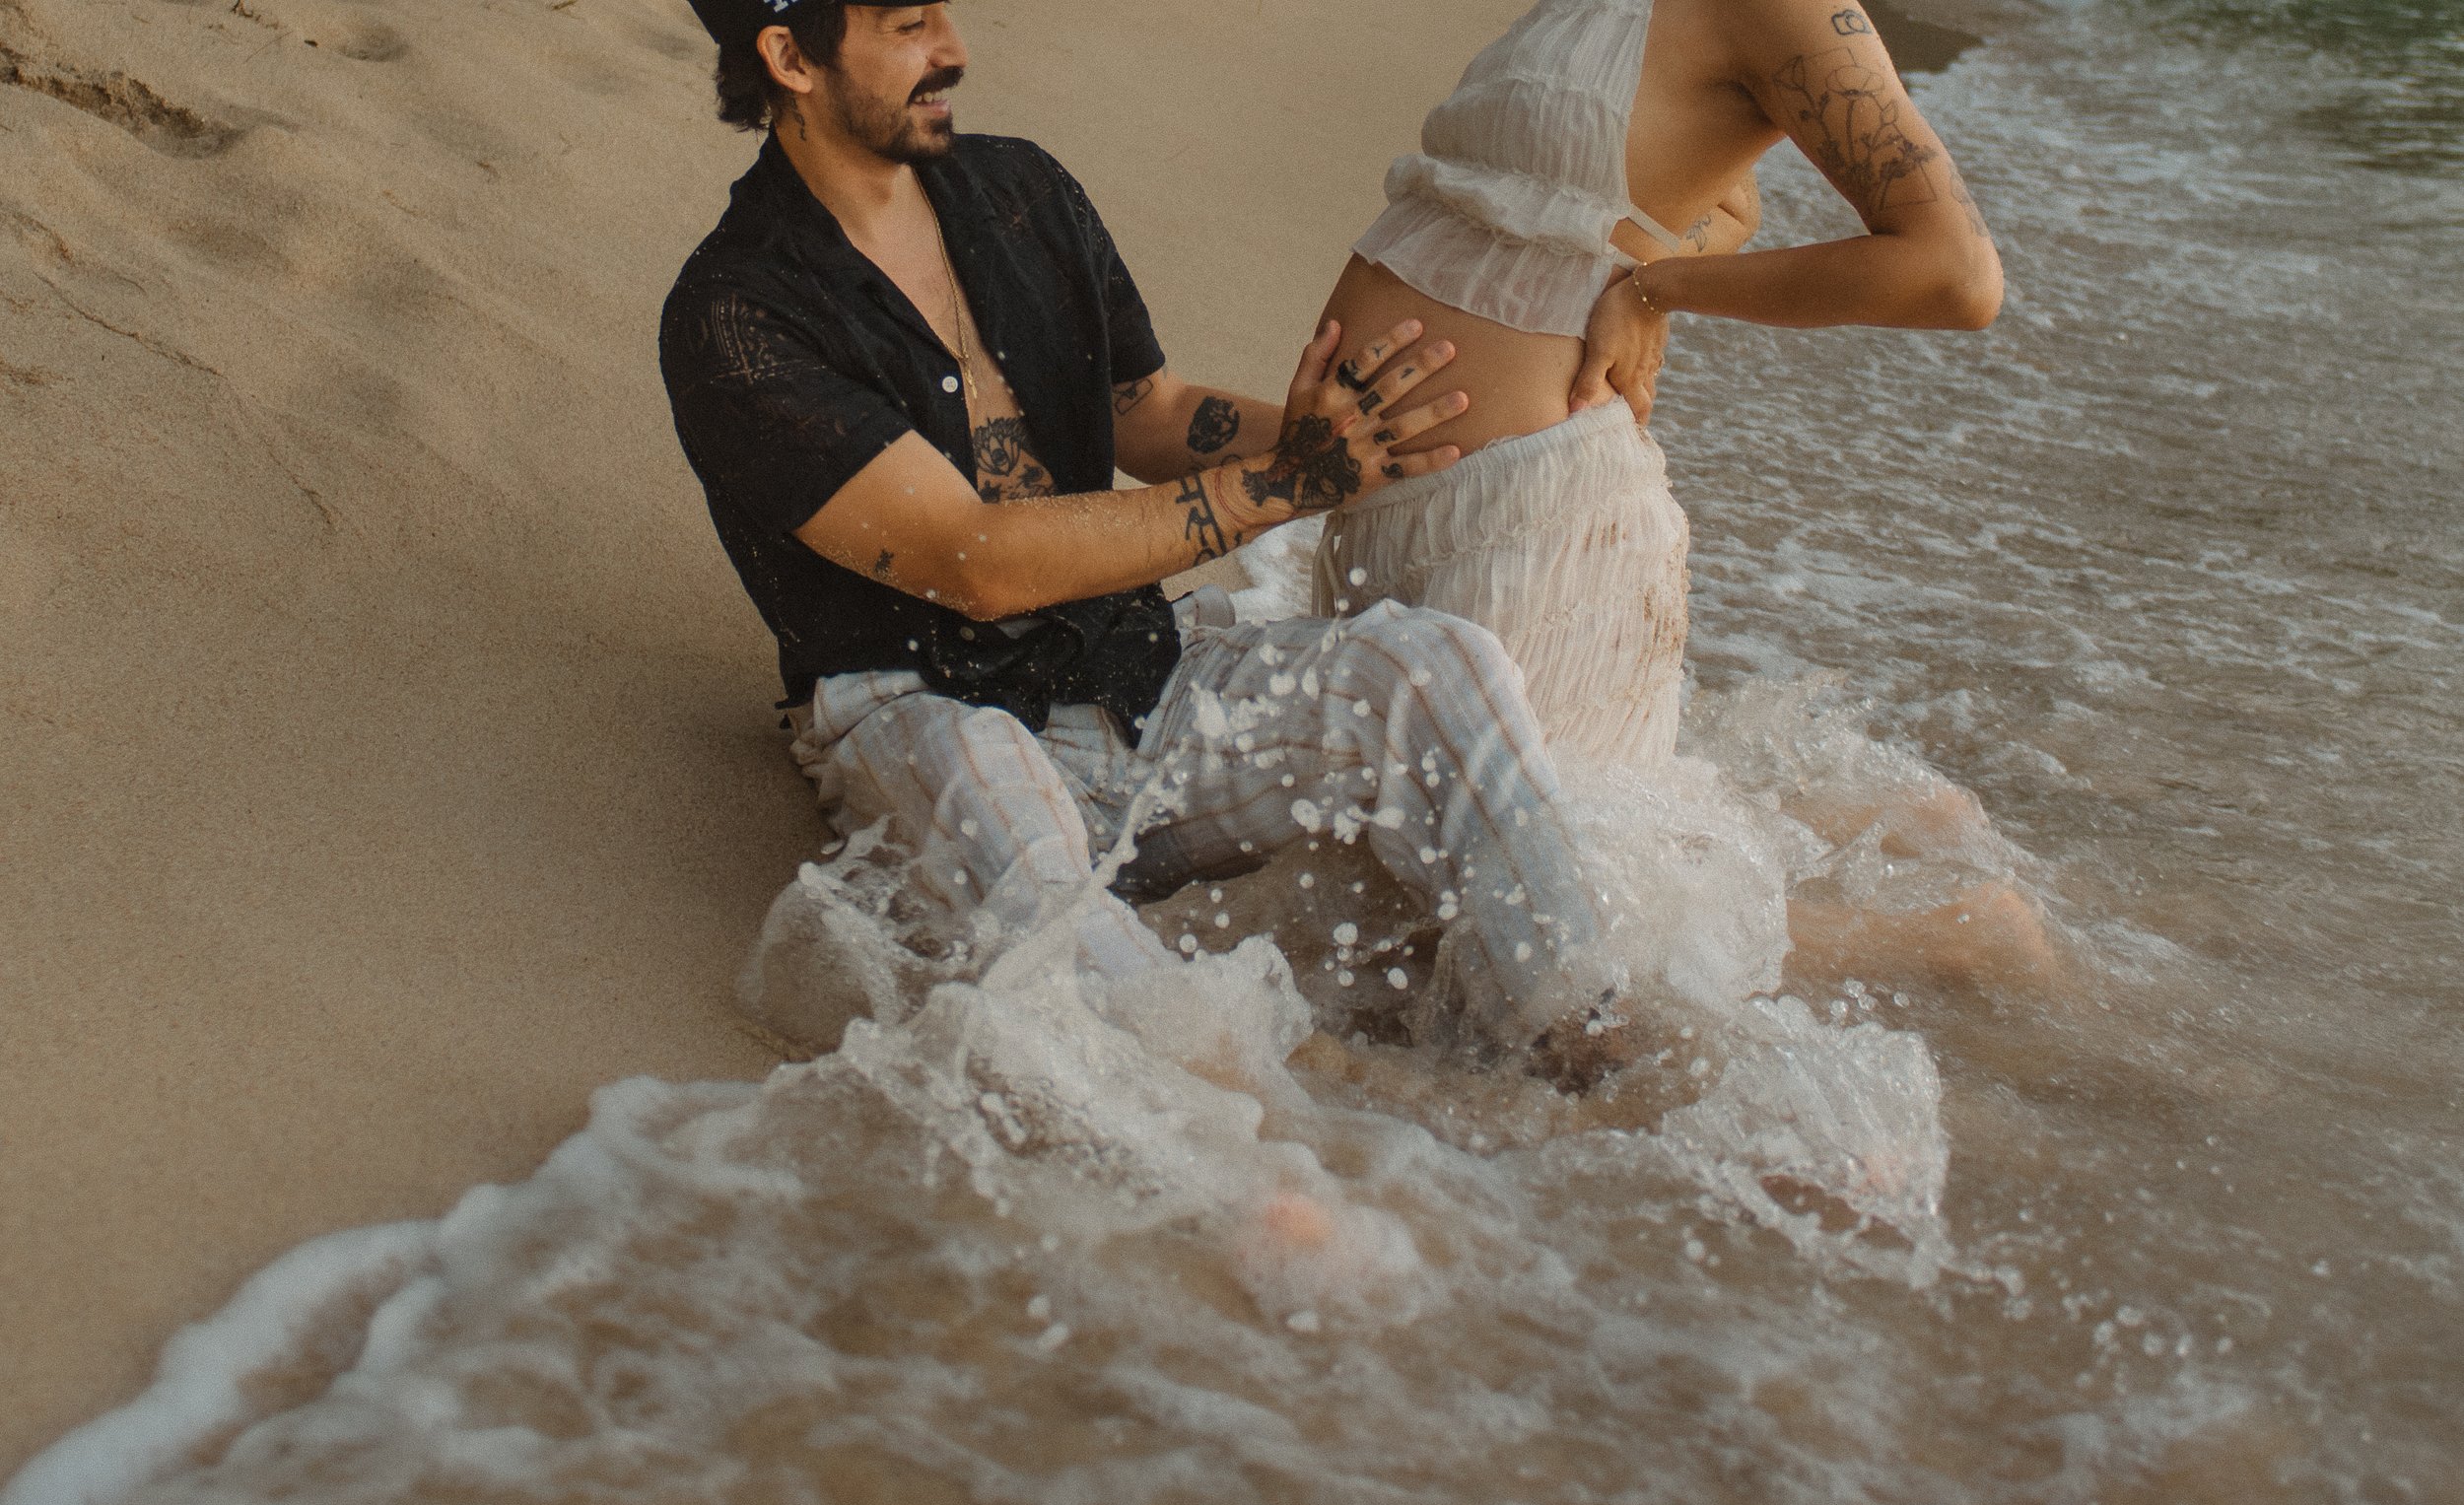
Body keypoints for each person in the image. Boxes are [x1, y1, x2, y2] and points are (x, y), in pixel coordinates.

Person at [657, 0, 1638, 1082]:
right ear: (790, 57)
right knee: (1045, 892)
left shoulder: (1021, 192)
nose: (954, 51)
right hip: (924, 700)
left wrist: (1367, 448)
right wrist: (1282, 485)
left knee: (1427, 666)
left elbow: (1147, 410)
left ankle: (1582, 1051)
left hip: (1134, 673)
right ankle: (1319, 1154)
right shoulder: (735, 314)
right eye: (907, 25)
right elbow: (970, 563)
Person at [1263, 0, 2051, 988]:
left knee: (1537, 959)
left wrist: (1657, 291)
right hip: (1415, 514)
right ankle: (1910, 831)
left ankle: (1964, 942)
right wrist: (1646, 256)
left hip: (1531, 527)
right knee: (1405, 931)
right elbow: (1717, 196)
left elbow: (1954, 270)